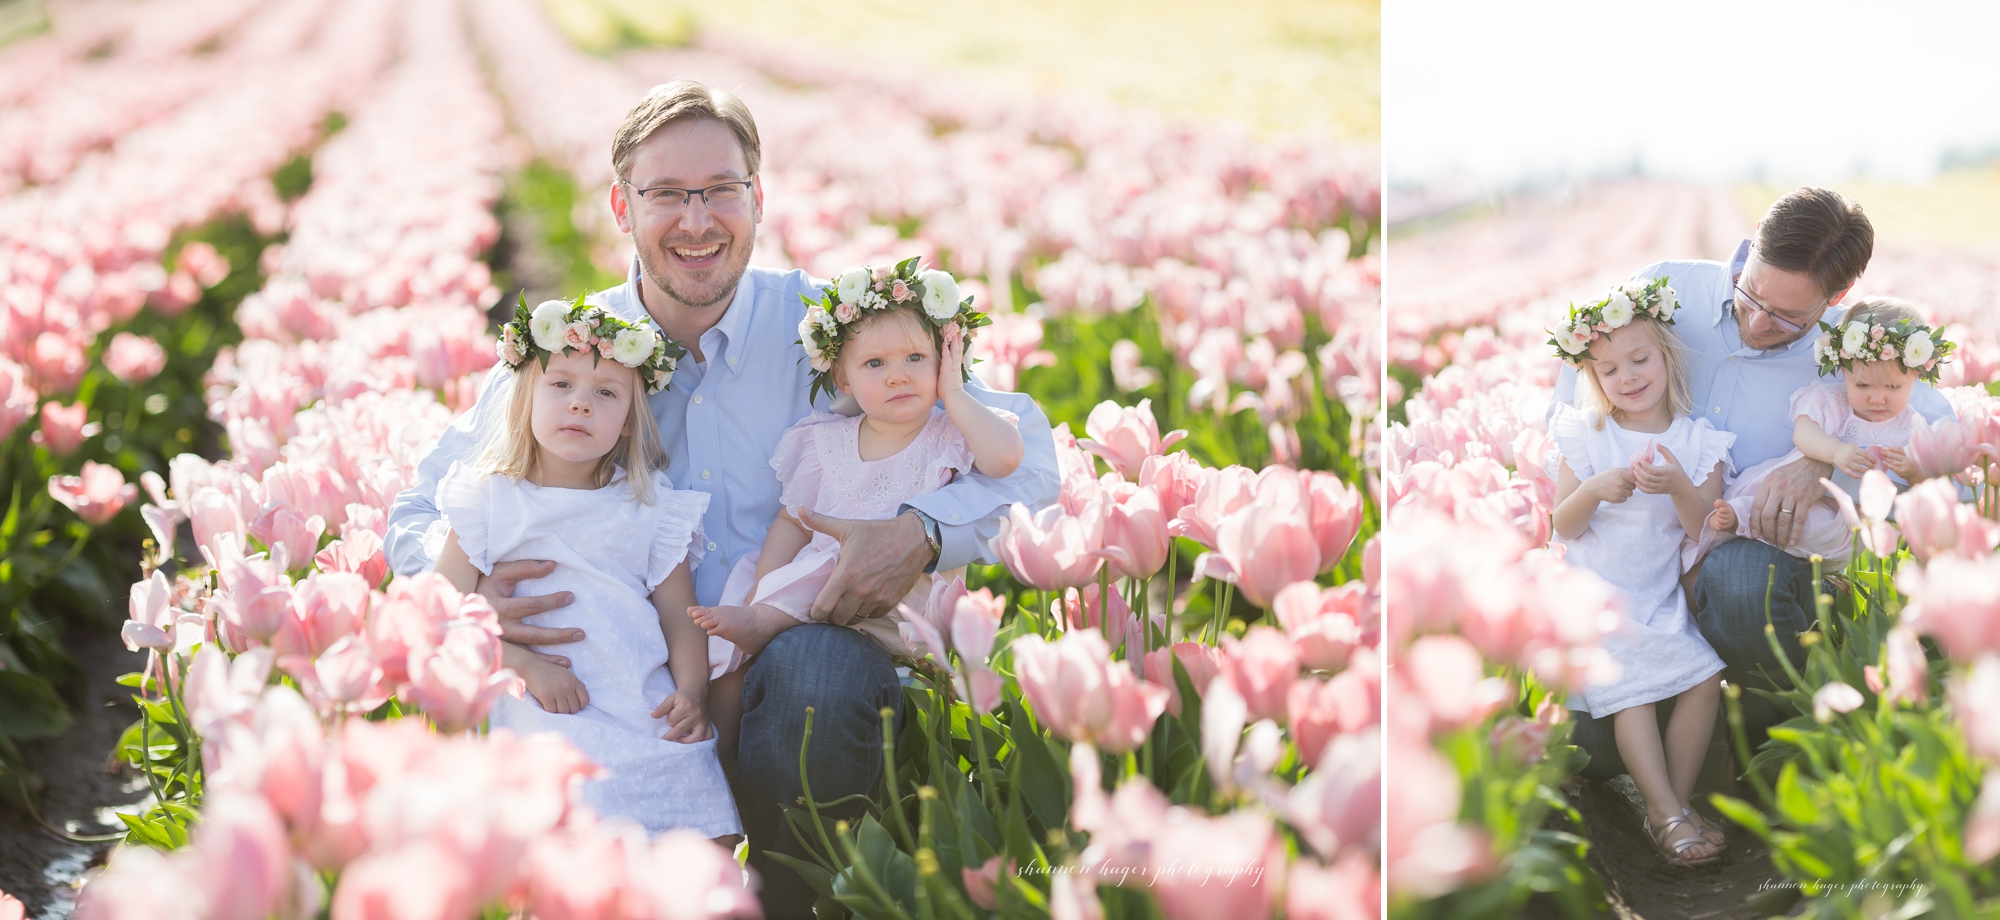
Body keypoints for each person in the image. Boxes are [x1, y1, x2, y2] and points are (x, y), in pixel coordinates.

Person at [384, 80, 1060, 918]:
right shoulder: (572, 357)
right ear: (620, 208)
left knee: (818, 661)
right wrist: (473, 593)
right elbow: (419, 511)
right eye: (665, 193)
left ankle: (796, 900)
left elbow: (1029, 462)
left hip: (795, 698)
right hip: (619, 699)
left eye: (721, 190)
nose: (697, 220)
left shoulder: (839, 330)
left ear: (758, 198)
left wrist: (923, 531)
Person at [1549, 188, 1954, 774]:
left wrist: (1821, 462)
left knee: (1743, 581)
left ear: (1836, 300)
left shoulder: (1853, 350)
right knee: (1590, 751)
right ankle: (1677, 741)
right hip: (1629, 565)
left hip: (1737, 553)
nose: (1759, 321)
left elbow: (1938, 435)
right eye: (1751, 294)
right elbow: (1572, 409)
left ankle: (1760, 754)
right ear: (1746, 253)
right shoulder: (1664, 293)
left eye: (1789, 316)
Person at [427, 297, 739, 841]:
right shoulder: (488, 498)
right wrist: (521, 663)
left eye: (606, 393)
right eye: (561, 385)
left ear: (626, 423)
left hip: (634, 697)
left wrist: (691, 690)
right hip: (537, 703)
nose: (581, 405)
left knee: (689, 810)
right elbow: (438, 614)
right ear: (525, 399)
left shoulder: (649, 506)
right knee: (572, 816)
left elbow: (678, 613)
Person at [691, 262, 1023, 657]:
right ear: (843, 379)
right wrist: (763, 591)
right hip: (822, 612)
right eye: (875, 363)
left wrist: (953, 392)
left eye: (915, 357)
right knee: (736, 656)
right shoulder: (825, 443)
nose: (897, 376)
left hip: (904, 615)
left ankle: (764, 624)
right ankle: (756, 632)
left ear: (944, 358)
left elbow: (1006, 459)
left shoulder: (951, 432)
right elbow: (792, 523)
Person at [1548, 280, 1735, 867]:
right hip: (1597, 598)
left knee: (1704, 679)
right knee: (1632, 689)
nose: (1626, 377)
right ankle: (1666, 814)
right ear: (1593, 379)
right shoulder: (1589, 435)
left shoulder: (1696, 441)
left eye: (1639, 359)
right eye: (1607, 370)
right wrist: (1597, 490)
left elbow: (1699, 527)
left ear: (1667, 357)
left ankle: (1671, 804)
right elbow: (1563, 525)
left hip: (1656, 596)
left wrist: (1680, 482)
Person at [1691, 296, 1957, 568]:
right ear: (1843, 369)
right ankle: (1740, 515)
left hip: (1841, 518)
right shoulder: (1831, 402)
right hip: (1795, 490)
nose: (1878, 399)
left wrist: (1913, 471)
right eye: (1863, 385)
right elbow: (1803, 434)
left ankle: (1745, 521)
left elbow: (1930, 486)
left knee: (1820, 527)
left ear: (1916, 377)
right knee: (1774, 499)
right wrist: (1835, 451)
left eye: (1893, 388)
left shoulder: (1913, 426)